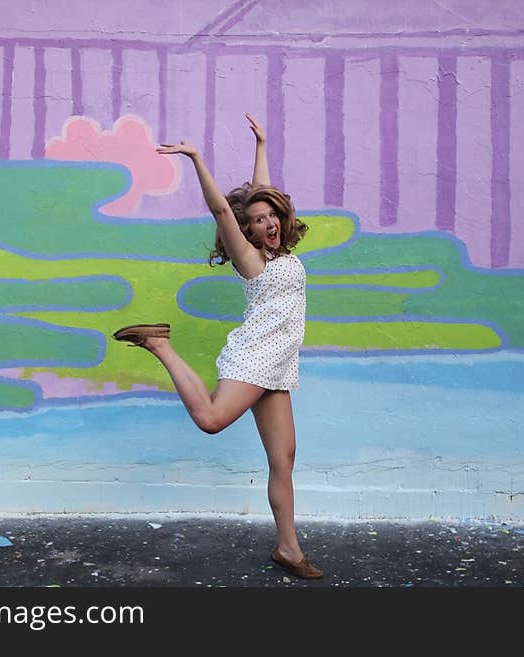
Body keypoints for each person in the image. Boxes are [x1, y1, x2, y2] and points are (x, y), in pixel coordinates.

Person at [111, 113, 321, 579]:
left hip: (279, 367)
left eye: (270, 216)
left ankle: (288, 548)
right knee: (210, 420)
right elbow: (225, 211)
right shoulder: (250, 260)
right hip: (254, 358)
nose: (265, 223)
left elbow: (259, 193)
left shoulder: (281, 251)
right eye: (257, 221)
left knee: (283, 461)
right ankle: (160, 345)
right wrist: (197, 159)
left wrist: (262, 144)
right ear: (245, 233)